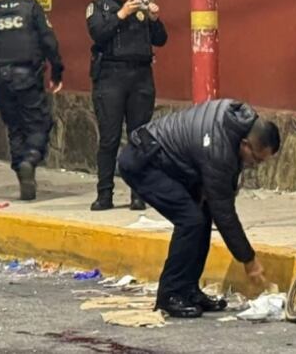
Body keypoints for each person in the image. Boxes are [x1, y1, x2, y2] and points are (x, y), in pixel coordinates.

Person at [118, 100, 280, 318]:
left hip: (168, 161)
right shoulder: (219, 148)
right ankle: (170, 295)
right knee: (190, 220)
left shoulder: (238, 123)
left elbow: (219, 200)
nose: (254, 165)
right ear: (244, 144)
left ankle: (189, 290)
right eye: (256, 159)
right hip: (144, 163)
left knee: (201, 216)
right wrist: (248, 261)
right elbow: (224, 213)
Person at [0, 0, 65, 201]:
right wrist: (57, 71)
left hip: (2, 81)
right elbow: (49, 41)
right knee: (39, 123)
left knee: (15, 127)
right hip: (28, 78)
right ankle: (31, 159)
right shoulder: (31, 8)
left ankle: (21, 171)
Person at [87, 0, 168, 212]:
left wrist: (154, 18)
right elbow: (98, 33)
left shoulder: (139, 8)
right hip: (111, 76)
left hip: (140, 77)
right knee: (109, 138)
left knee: (140, 138)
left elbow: (161, 39)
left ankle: (138, 194)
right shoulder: (100, 7)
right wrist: (121, 14)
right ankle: (104, 194)